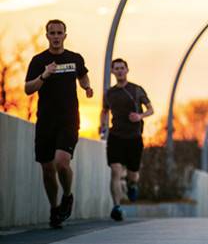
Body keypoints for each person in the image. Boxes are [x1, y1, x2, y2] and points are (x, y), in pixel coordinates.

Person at [24, 19, 93, 228]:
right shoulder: (38, 61)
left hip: (68, 120)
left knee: (62, 162)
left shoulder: (74, 58)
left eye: (59, 33)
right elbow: (28, 88)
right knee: (47, 169)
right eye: (52, 33)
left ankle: (68, 196)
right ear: (47, 36)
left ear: (65, 35)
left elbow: (83, 76)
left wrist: (87, 88)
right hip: (45, 121)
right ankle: (54, 209)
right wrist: (45, 75)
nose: (55, 36)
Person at [100, 58, 154, 221]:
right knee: (115, 170)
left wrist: (140, 116)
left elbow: (151, 109)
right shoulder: (109, 93)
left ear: (127, 70)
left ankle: (132, 185)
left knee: (133, 174)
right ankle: (116, 206)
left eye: (122, 68)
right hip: (116, 136)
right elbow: (104, 111)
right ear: (112, 71)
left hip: (134, 137)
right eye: (116, 68)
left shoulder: (137, 90)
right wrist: (103, 126)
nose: (120, 71)